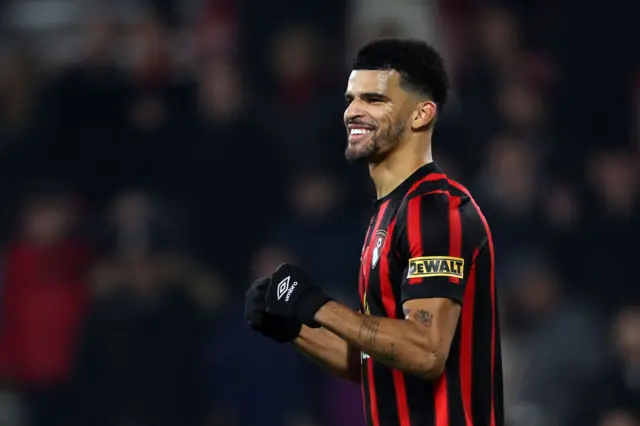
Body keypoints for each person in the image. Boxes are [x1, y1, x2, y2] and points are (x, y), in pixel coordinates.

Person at [245, 38, 503, 426]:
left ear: (421, 115)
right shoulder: (387, 215)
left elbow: (425, 352)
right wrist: (292, 328)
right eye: (351, 99)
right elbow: (378, 361)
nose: (353, 112)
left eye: (375, 100)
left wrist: (316, 305)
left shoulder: (434, 210)